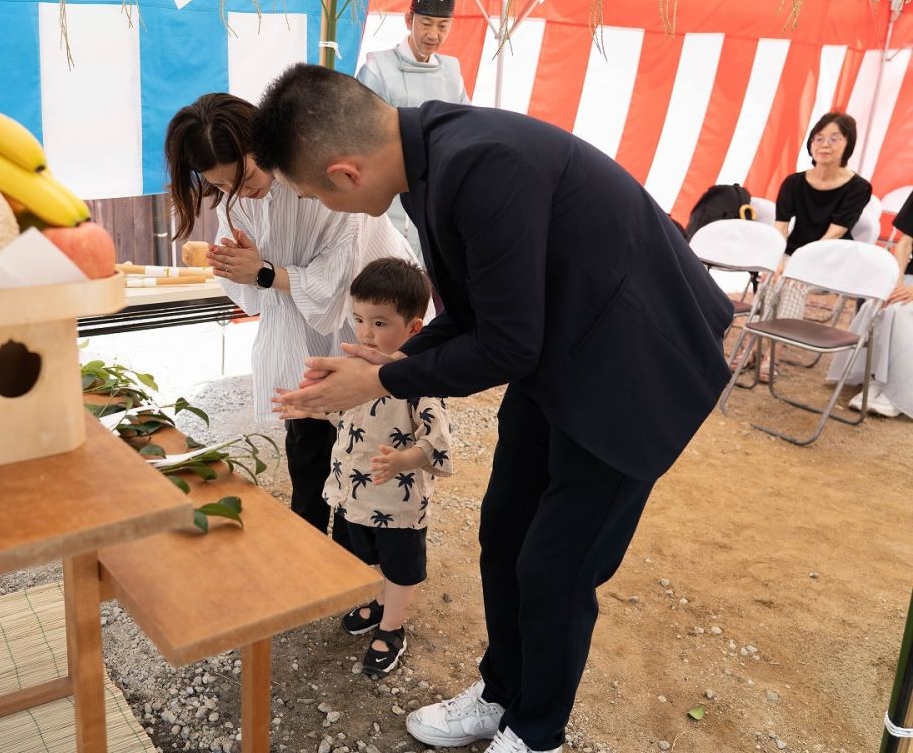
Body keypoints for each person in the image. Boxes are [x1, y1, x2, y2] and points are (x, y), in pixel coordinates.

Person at [253, 64, 733, 753]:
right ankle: (503, 692)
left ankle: (538, 732)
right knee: (505, 533)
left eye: (312, 195)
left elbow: (505, 344)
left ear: (345, 174)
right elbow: (476, 316)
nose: (322, 207)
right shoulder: (426, 162)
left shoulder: (480, 163)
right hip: (561, 358)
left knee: (556, 567)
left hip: (632, 365)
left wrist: (383, 385)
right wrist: (384, 362)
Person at [164, 92, 421, 544]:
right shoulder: (238, 198)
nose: (235, 196)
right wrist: (243, 266)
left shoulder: (314, 175)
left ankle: (357, 554)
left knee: (362, 445)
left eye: (242, 180)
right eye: (221, 188)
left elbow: (340, 285)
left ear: (263, 146)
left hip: (368, 323)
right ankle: (306, 546)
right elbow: (256, 296)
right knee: (306, 443)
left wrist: (264, 272)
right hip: (298, 330)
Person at [278, 258, 451, 677]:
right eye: (358, 320)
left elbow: (438, 444)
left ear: (413, 328)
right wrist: (308, 408)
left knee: (400, 566)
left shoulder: (417, 381)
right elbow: (347, 420)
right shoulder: (357, 374)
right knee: (365, 556)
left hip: (398, 505)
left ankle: (393, 627)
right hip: (356, 497)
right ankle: (376, 603)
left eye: (379, 322)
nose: (366, 333)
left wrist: (403, 459)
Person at [357, 0, 469, 263]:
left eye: (443, 26)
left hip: (436, 188)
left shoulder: (452, 72)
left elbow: (465, 130)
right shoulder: (377, 68)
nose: (433, 35)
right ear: (409, 20)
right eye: (427, 23)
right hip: (388, 190)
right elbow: (364, 135)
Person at [761, 112, 873, 379]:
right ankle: (759, 348)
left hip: (830, 260)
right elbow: (780, 228)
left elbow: (833, 235)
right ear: (810, 144)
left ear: (848, 145)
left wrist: (795, 265)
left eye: (834, 139)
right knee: (770, 279)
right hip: (793, 254)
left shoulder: (858, 188)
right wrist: (777, 261)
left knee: (793, 283)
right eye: (819, 138)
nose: (825, 144)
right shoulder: (793, 182)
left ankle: (770, 356)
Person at [829, 190, 913, 418]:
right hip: (907, 278)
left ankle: (895, 391)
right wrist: (897, 281)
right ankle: (876, 380)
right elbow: (904, 244)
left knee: (904, 313)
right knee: (879, 306)